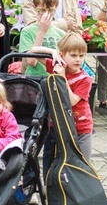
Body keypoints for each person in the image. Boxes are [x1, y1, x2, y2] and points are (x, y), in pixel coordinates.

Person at [29, 31, 93, 175]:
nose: (78, 60)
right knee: (51, 161)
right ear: (63, 54)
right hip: (57, 125)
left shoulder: (84, 79)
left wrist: (62, 77)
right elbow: (33, 51)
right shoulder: (57, 65)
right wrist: (53, 52)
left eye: (81, 56)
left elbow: (70, 101)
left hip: (80, 128)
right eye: (73, 55)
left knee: (81, 165)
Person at [19, 0, 64, 75]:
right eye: (42, 10)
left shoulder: (61, 34)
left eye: (51, 10)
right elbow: (31, 61)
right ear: (34, 7)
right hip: (35, 80)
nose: (46, 14)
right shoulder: (27, 31)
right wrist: (41, 32)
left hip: (54, 79)